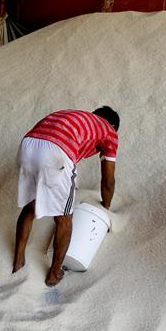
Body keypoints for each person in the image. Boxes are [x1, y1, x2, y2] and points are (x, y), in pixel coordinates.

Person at [12, 107, 119, 286]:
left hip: (27, 146)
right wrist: (106, 206)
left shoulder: (75, 116)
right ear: (113, 125)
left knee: (30, 205)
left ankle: (18, 261)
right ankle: (54, 274)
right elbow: (108, 180)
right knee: (64, 218)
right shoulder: (109, 131)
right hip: (57, 152)